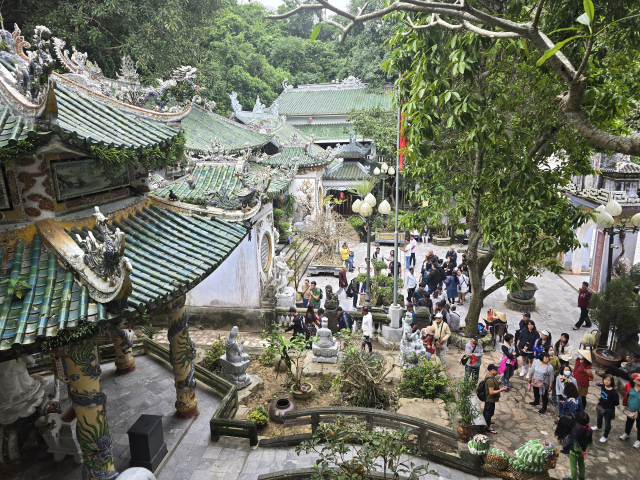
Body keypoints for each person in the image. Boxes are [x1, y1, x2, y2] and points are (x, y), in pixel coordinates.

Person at [562, 411, 592, 480]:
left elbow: (576, 444)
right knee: (581, 464)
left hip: (574, 452)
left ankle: (573, 478)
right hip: (583, 451)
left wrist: (582, 452)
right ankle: (582, 477)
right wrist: (585, 452)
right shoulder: (589, 430)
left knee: (573, 466)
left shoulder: (575, 430)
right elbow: (590, 442)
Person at [592, 374, 619, 443]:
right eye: (605, 379)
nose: (606, 381)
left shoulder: (614, 392)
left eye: (608, 380)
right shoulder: (603, 386)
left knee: (607, 423)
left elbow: (616, 403)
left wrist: (609, 404)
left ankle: (605, 436)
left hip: (608, 410)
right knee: (598, 418)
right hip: (601, 406)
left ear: (611, 382)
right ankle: (599, 427)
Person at [484, 364, 508, 435]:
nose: (497, 371)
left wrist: (497, 383)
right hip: (490, 399)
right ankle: (487, 427)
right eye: (495, 369)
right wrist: (501, 390)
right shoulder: (490, 380)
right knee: (489, 412)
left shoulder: (490, 376)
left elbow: (491, 386)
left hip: (489, 398)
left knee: (487, 410)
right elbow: (491, 392)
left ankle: (486, 421)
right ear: (491, 370)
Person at [620, 372, 640, 448]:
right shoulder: (628, 385)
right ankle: (626, 434)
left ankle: (639, 440)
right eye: (638, 380)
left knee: (639, 426)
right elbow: (626, 392)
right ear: (633, 380)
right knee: (629, 422)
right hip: (630, 409)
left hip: (639, 411)